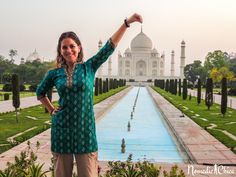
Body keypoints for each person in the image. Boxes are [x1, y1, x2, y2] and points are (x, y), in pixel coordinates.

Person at [36, 13, 143, 177]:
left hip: (85, 132)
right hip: (61, 132)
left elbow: (109, 46)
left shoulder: (89, 67)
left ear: (79, 48)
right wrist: (51, 110)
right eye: (64, 47)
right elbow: (40, 92)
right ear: (60, 50)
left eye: (72, 46)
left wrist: (126, 23)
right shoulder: (54, 74)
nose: (68, 50)